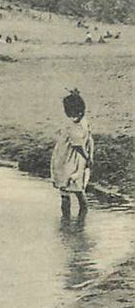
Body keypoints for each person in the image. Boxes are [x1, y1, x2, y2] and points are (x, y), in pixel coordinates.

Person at [50, 89, 93, 220]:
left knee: (73, 189)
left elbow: (79, 145)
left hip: (69, 160)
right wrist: (88, 157)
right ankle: (76, 221)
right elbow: (81, 143)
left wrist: (87, 157)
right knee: (74, 189)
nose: (75, 116)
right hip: (68, 160)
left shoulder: (77, 125)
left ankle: (69, 220)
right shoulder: (80, 122)